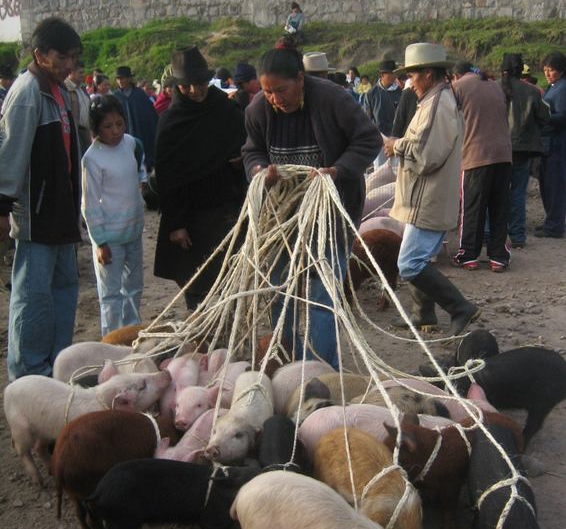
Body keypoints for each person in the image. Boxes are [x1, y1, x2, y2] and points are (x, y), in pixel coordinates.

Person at [242, 45, 381, 369]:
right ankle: (283, 359)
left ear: (300, 79)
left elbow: (368, 139)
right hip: (281, 220)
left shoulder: (333, 100)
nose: (275, 98)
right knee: (278, 289)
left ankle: (318, 368)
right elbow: (252, 152)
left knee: (321, 296)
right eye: (267, 91)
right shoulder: (258, 110)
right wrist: (261, 172)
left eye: (281, 90)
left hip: (329, 216)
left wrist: (337, 170)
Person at [0, 17, 83, 380]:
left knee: (63, 294)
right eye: (62, 56)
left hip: (63, 214)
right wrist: (3, 208)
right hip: (36, 217)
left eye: (73, 57)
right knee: (33, 299)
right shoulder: (27, 92)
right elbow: (10, 154)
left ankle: (57, 367)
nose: (69, 64)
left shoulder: (61, 92)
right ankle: (27, 375)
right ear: (40, 54)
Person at [383, 42, 479, 335]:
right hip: (423, 195)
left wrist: (394, 145)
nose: (409, 83)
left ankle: (461, 308)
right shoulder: (434, 101)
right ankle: (423, 315)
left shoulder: (437, 105)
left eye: (412, 76)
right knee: (417, 257)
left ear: (427, 73)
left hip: (429, 197)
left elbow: (425, 156)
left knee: (410, 263)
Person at [153, 46, 247, 310]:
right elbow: (168, 178)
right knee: (197, 286)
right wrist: (175, 224)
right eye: (187, 86)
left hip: (228, 209)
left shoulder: (226, 110)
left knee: (233, 282)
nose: (195, 91)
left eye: (200, 83)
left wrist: (243, 159)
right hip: (191, 217)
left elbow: (248, 145)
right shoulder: (171, 123)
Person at [82, 95, 146, 336]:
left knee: (134, 287)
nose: (116, 131)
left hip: (133, 231)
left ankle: (131, 333)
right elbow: (89, 205)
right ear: (96, 128)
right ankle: (111, 339)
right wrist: (100, 242)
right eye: (108, 127)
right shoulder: (92, 158)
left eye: (119, 123)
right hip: (109, 237)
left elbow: (139, 166)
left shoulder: (130, 143)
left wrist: (143, 181)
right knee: (110, 293)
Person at [452, 60, 513, 272]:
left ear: (456, 75)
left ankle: (468, 254)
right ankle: (498, 257)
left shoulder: (459, 86)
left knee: (472, 208)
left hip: (477, 156)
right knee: (499, 207)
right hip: (504, 155)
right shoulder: (494, 85)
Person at [498, 53, 550, 248]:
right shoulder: (532, 91)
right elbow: (545, 117)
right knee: (518, 193)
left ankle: (493, 236)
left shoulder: (494, 89)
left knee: (497, 192)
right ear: (521, 70)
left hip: (497, 148)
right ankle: (518, 237)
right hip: (523, 149)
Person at [535, 51, 566, 239]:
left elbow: (563, 116)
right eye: (545, 70)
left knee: (554, 184)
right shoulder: (553, 86)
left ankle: (554, 225)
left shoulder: (562, 89)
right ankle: (552, 221)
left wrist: (544, 117)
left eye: (552, 70)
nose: (547, 74)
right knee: (547, 183)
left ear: (561, 71)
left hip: (557, 143)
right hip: (549, 142)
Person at [113, 65, 158, 169]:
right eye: (118, 79)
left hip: (142, 134)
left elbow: (150, 117)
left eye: (122, 78)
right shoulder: (116, 97)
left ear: (129, 79)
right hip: (124, 136)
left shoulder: (140, 94)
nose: (120, 81)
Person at [64, 59, 91, 155]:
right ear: (71, 72)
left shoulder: (82, 88)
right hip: (75, 132)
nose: (83, 75)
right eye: (80, 72)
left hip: (86, 132)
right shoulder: (65, 88)